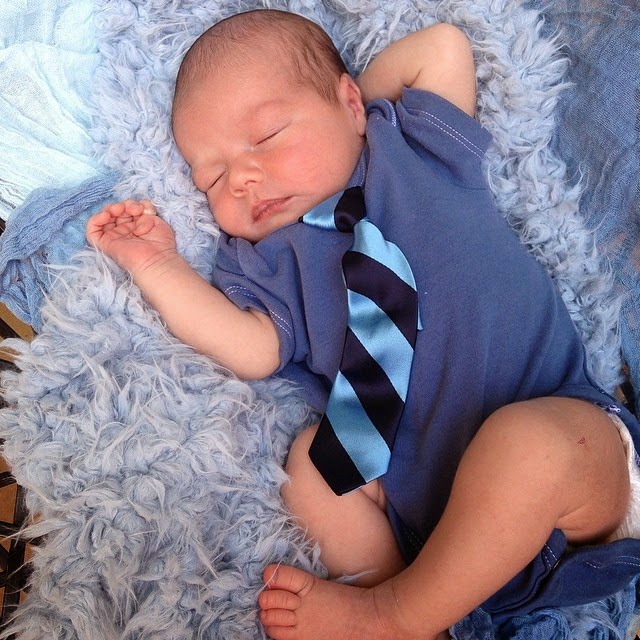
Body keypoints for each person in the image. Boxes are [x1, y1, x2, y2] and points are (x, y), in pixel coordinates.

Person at [86, 9, 640, 640]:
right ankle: (403, 595)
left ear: (350, 103)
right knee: (311, 469)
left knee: (527, 446)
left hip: (575, 464)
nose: (240, 179)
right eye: (210, 177)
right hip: (429, 530)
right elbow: (249, 351)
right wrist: (157, 264)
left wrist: (352, 112)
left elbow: (443, 48)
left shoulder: (412, 151)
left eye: (266, 136)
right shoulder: (265, 264)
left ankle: (393, 616)